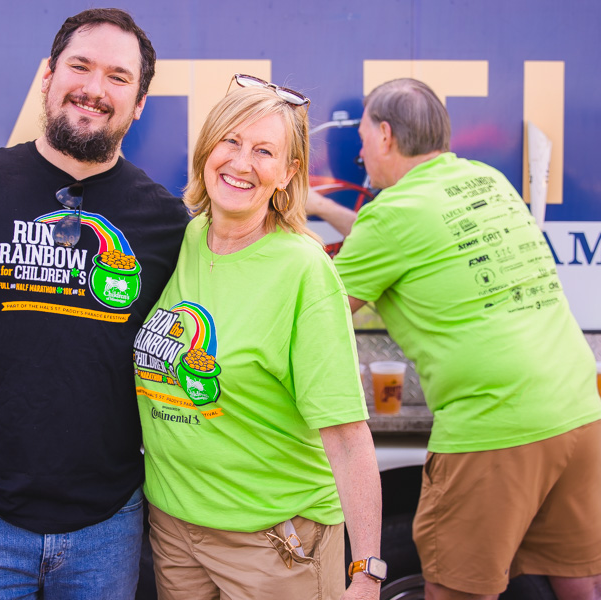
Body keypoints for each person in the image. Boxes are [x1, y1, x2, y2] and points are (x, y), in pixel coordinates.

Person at [0, 8, 188, 599]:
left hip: (108, 522)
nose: (95, 89)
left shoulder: (165, 220)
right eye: (80, 66)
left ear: (140, 103)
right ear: (48, 74)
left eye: (118, 78)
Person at [310, 77, 601, 599]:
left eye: (361, 141)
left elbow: (322, 312)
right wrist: (326, 208)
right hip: (579, 410)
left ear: (384, 135)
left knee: (457, 588)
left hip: (498, 427)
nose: (359, 154)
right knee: (577, 578)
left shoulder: (391, 217)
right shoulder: (484, 181)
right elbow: (407, 239)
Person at [133, 76, 384, 600]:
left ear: (289, 172)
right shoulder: (181, 240)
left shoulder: (302, 269)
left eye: (264, 151)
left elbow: (345, 435)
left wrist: (366, 571)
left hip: (274, 545)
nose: (241, 163)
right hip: (175, 531)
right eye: (230, 141)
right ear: (207, 148)